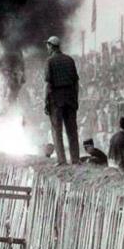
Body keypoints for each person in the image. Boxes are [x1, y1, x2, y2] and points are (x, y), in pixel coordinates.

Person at [43, 36, 80, 166]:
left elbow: (48, 84)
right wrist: (76, 98)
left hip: (56, 100)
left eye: (48, 45)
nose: (47, 48)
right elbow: (76, 82)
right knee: (72, 130)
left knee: (57, 130)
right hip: (70, 98)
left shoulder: (49, 61)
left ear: (52, 46)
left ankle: (61, 160)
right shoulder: (70, 60)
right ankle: (75, 159)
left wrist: (45, 101)